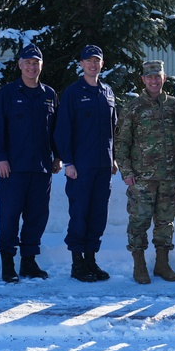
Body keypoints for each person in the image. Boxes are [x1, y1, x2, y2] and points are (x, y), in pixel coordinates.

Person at [0, 44, 62, 283]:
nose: (31, 66)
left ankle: (29, 262)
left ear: (41, 66)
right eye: (27, 62)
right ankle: (8, 263)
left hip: (40, 169)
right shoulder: (7, 94)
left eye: (35, 62)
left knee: (37, 217)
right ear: (19, 65)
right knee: (9, 216)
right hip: (12, 169)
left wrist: (57, 157)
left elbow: (56, 130)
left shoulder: (49, 94)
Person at [114, 60, 175, 284]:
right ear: (143, 80)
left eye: (158, 76)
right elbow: (121, 142)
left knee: (165, 222)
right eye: (149, 77)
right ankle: (139, 264)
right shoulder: (133, 107)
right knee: (139, 221)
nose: (154, 80)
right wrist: (126, 171)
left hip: (168, 176)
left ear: (164, 78)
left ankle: (162, 264)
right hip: (141, 178)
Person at [55, 45, 118, 282]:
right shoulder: (73, 92)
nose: (92, 64)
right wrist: (68, 161)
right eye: (88, 60)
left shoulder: (108, 92)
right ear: (81, 64)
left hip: (103, 166)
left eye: (97, 61)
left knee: (98, 215)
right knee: (79, 214)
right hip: (80, 167)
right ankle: (77, 263)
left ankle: (91, 260)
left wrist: (113, 158)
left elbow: (113, 129)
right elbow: (63, 130)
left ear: (102, 64)